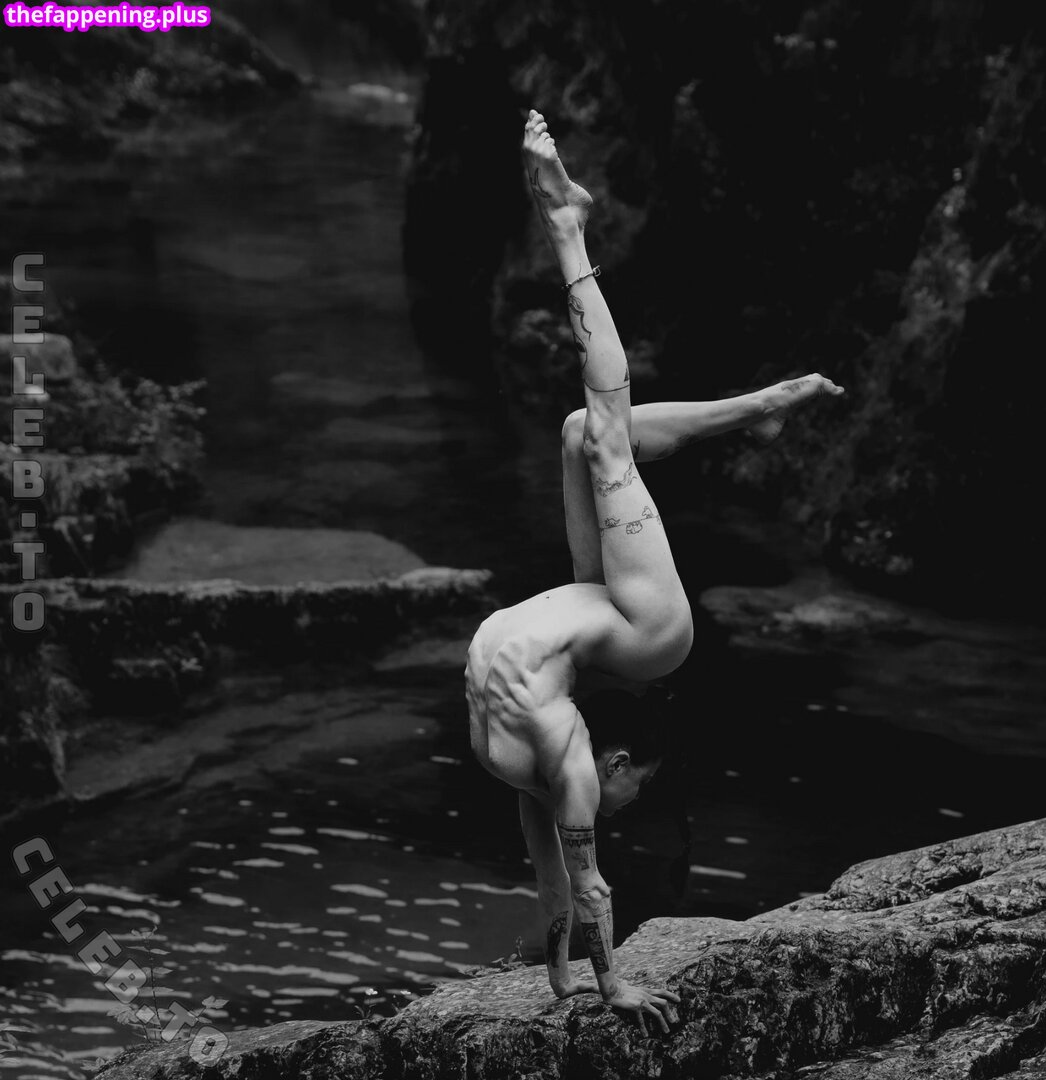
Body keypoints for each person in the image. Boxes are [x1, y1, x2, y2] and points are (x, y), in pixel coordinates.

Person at [465, 109, 845, 1034]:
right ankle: (757, 404)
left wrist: (579, 982)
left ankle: (570, 228)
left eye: (630, 793)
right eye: (631, 796)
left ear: (619, 759)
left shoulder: (550, 759)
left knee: (588, 431)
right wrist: (590, 981)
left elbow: (567, 878)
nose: (623, 809)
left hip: (614, 624)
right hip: (644, 633)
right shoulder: (545, 754)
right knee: (600, 441)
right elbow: (574, 872)